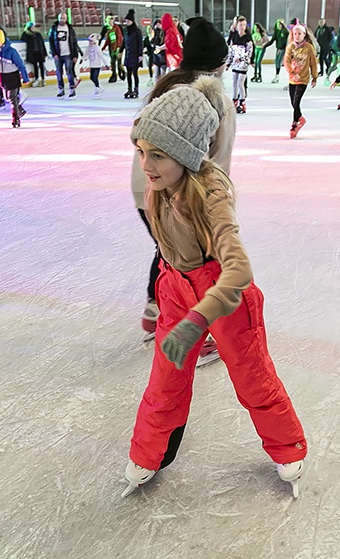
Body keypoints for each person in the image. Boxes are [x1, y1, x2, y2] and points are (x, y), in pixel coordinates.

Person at [123, 79, 308, 500]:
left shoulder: (210, 194)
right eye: (141, 152)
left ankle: (287, 447)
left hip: (222, 294)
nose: (145, 165)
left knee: (252, 375)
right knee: (165, 378)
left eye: (157, 155)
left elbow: (238, 268)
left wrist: (198, 318)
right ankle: (149, 453)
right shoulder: (161, 187)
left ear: (186, 154)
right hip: (174, 288)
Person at [134, 17, 233, 368]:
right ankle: (199, 333)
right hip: (184, 192)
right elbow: (217, 161)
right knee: (198, 264)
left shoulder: (167, 87)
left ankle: (153, 309)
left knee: (169, 252)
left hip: (146, 187)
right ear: (219, 64)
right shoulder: (216, 100)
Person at [0, 29, 29, 127]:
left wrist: (25, 78)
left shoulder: (11, 52)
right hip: (2, 78)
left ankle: (15, 119)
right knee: (7, 98)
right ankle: (20, 110)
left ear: (2, 41)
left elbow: (21, 65)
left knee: (12, 98)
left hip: (12, 76)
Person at [283, 24, 318, 138]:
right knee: (293, 103)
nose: (297, 36)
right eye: (295, 34)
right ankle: (300, 118)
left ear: (304, 35)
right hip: (292, 79)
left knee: (296, 102)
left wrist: (314, 77)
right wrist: (292, 73)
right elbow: (286, 62)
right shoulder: (290, 47)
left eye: (299, 34)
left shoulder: (309, 48)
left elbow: (313, 63)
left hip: (303, 79)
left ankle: (294, 124)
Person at [48, 11, 80, 98]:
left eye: (64, 18)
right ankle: (61, 90)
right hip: (58, 55)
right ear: (58, 18)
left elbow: (74, 42)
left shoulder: (70, 28)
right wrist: (54, 53)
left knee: (69, 72)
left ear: (66, 19)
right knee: (59, 73)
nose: (62, 20)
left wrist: (75, 55)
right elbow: (51, 42)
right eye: (61, 18)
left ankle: (72, 90)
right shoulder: (54, 28)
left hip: (68, 54)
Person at [226, 16, 253, 113]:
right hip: (235, 64)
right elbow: (231, 51)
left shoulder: (248, 38)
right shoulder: (234, 37)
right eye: (240, 25)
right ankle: (235, 101)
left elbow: (249, 52)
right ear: (236, 26)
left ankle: (242, 102)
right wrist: (228, 64)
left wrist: (242, 59)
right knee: (234, 83)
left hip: (243, 64)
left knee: (240, 83)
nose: (242, 27)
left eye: (244, 25)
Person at [122, 9, 143, 99]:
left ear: (132, 21)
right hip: (128, 55)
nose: (126, 22)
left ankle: (136, 89)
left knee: (135, 73)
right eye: (126, 21)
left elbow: (140, 43)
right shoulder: (126, 31)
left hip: (135, 56)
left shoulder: (137, 31)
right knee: (129, 73)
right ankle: (129, 89)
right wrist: (120, 51)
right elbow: (124, 42)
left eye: (128, 21)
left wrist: (140, 55)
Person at [20, 22, 47, 87]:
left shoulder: (38, 34)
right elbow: (22, 38)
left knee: (41, 65)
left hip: (40, 52)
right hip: (33, 53)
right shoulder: (27, 35)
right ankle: (37, 79)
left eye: (34, 27)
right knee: (35, 66)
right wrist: (25, 30)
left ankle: (43, 79)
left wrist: (45, 53)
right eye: (32, 27)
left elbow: (42, 44)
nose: (33, 28)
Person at [264, 19, 288, 84]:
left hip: (283, 49)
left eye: (280, 24)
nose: (279, 26)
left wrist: (281, 48)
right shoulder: (277, 32)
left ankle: (277, 76)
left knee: (278, 62)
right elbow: (272, 41)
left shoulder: (285, 32)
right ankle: (277, 75)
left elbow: (286, 42)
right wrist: (264, 46)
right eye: (278, 24)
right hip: (278, 49)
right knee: (277, 62)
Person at [102, 15, 124, 82]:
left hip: (117, 48)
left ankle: (122, 73)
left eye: (110, 21)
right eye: (108, 21)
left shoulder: (116, 28)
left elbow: (119, 37)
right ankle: (114, 75)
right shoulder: (109, 31)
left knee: (119, 63)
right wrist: (103, 48)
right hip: (112, 48)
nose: (109, 22)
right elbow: (108, 41)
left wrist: (118, 47)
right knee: (112, 63)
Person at [86, 32, 109, 97]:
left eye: (91, 41)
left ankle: (97, 88)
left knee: (95, 77)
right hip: (92, 65)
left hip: (97, 66)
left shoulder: (97, 48)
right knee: (91, 77)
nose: (90, 42)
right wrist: (83, 59)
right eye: (89, 41)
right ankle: (99, 87)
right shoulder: (89, 48)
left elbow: (102, 56)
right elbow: (86, 54)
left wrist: (106, 64)